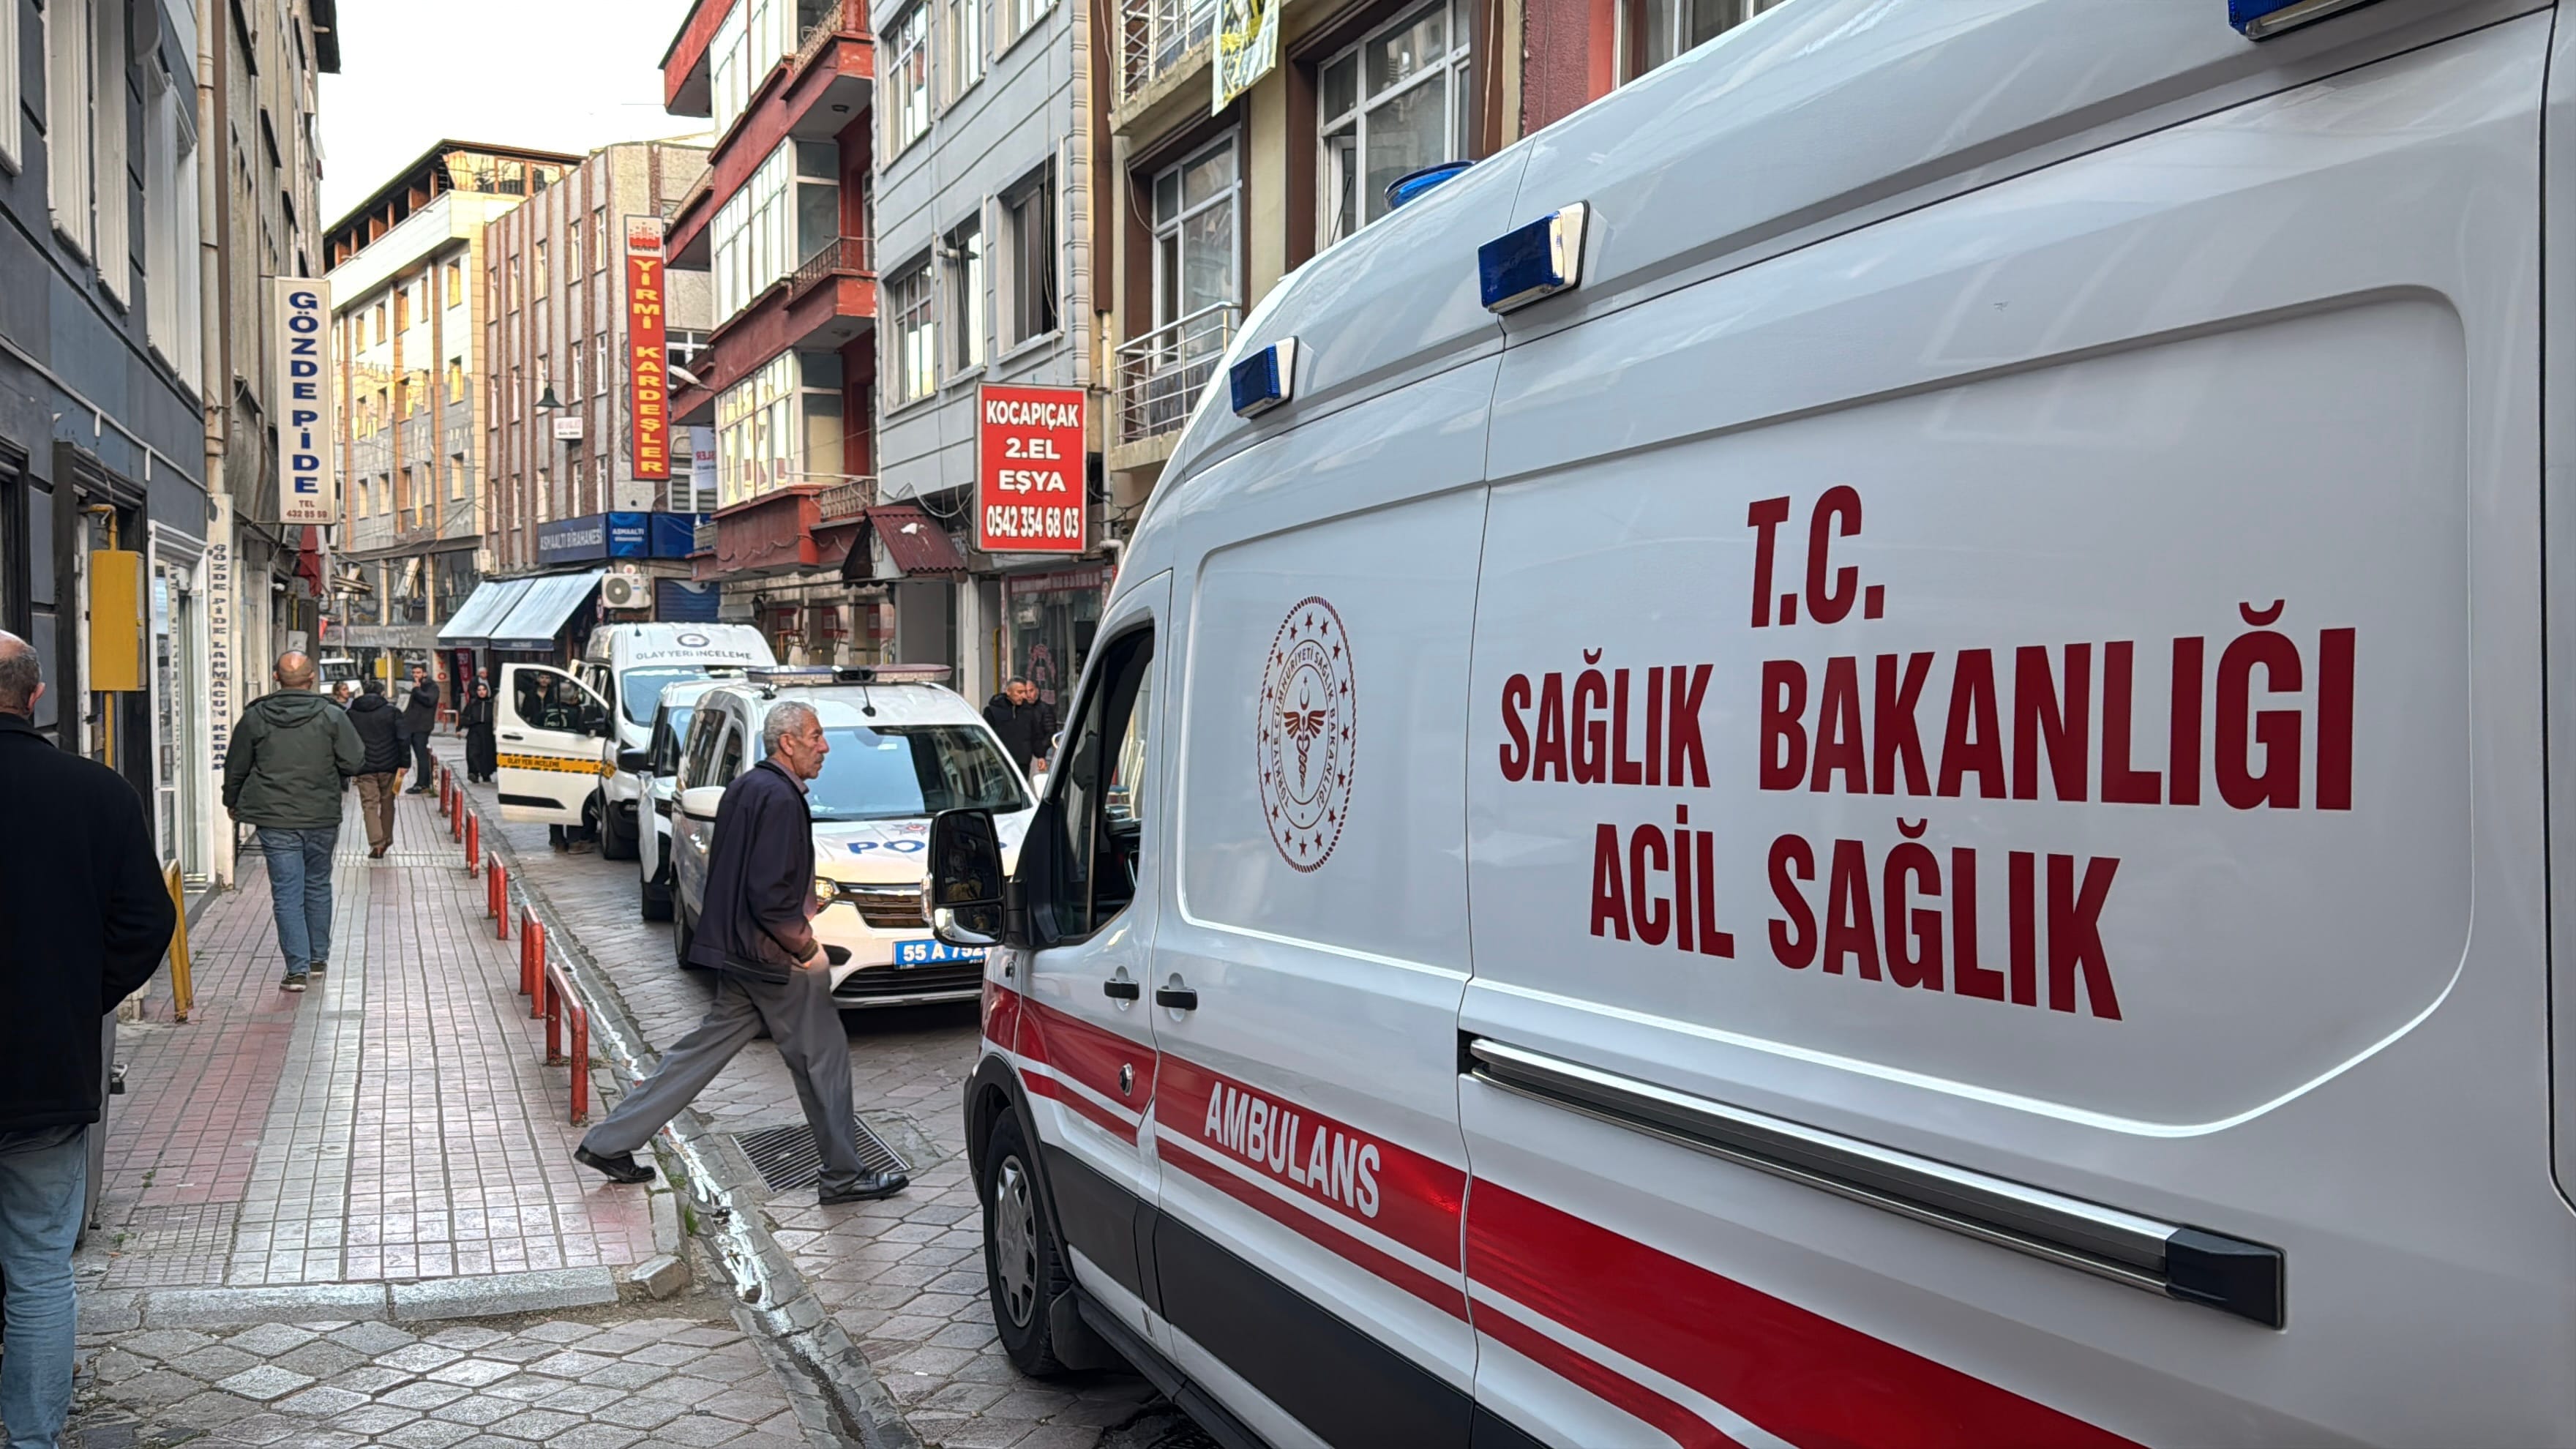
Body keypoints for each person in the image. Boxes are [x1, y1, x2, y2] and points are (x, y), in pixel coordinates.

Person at [572, 701, 907, 1206]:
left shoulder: (749, 786)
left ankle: (608, 1142)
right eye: (815, 736)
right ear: (787, 742)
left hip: (743, 954)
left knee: (697, 1055)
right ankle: (843, 1175)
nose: (824, 747)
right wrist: (806, 947)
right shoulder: (780, 798)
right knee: (825, 1062)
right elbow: (768, 893)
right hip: (775, 960)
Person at [0, 632, 174, 1449]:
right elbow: (146, 922)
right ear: (35, 698)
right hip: (45, 1071)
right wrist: (77, 999)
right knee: (39, 1265)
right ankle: (33, 1438)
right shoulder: (98, 792)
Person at [223, 653, 362, 992]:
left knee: (287, 892)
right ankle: (317, 958)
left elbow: (236, 765)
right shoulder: (332, 715)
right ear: (312, 679)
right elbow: (355, 760)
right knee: (318, 884)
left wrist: (232, 800)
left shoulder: (255, 717)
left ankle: (296, 970)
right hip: (321, 814)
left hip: (275, 817)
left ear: (276, 677)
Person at [344, 678, 407, 858]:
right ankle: (386, 839)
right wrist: (405, 763)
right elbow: (403, 738)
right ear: (382, 693)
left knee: (369, 805)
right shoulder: (393, 712)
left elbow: (347, 740)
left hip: (364, 766)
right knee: (388, 802)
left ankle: (376, 844)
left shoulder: (352, 714)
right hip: (390, 765)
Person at [982, 676, 1059, 779]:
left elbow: (1035, 735)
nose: (1023, 696)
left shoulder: (1028, 711)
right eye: (1019, 692)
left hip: (1023, 764)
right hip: (1000, 763)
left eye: (1024, 692)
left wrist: (1041, 756)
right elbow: (986, 737)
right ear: (1008, 691)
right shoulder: (993, 711)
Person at [400, 664, 441, 794]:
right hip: (412, 725)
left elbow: (429, 701)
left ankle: (423, 784)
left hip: (422, 726)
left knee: (421, 754)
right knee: (413, 753)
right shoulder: (416, 687)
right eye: (413, 673)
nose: (415, 675)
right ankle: (420, 782)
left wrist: (417, 689)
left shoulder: (431, 686)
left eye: (418, 672)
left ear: (424, 673)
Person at [460, 673, 498, 785]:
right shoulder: (472, 703)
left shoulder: (491, 704)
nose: (481, 692)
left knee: (487, 753)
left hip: (488, 731)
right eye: (479, 690)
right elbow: (464, 716)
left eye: (484, 690)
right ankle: (474, 773)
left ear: (487, 691)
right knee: (473, 752)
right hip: (474, 730)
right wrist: (460, 728)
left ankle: (486, 774)